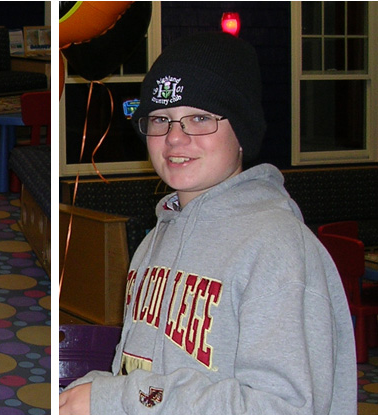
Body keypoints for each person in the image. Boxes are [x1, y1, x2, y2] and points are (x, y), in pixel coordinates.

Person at [59, 32, 356, 415]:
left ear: (242, 130)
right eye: (161, 119)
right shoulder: (153, 242)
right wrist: (98, 389)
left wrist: (118, 398)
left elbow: (282, 406)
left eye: (199, 118)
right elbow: (142, 372)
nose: (175, 139)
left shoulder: (277, 246)